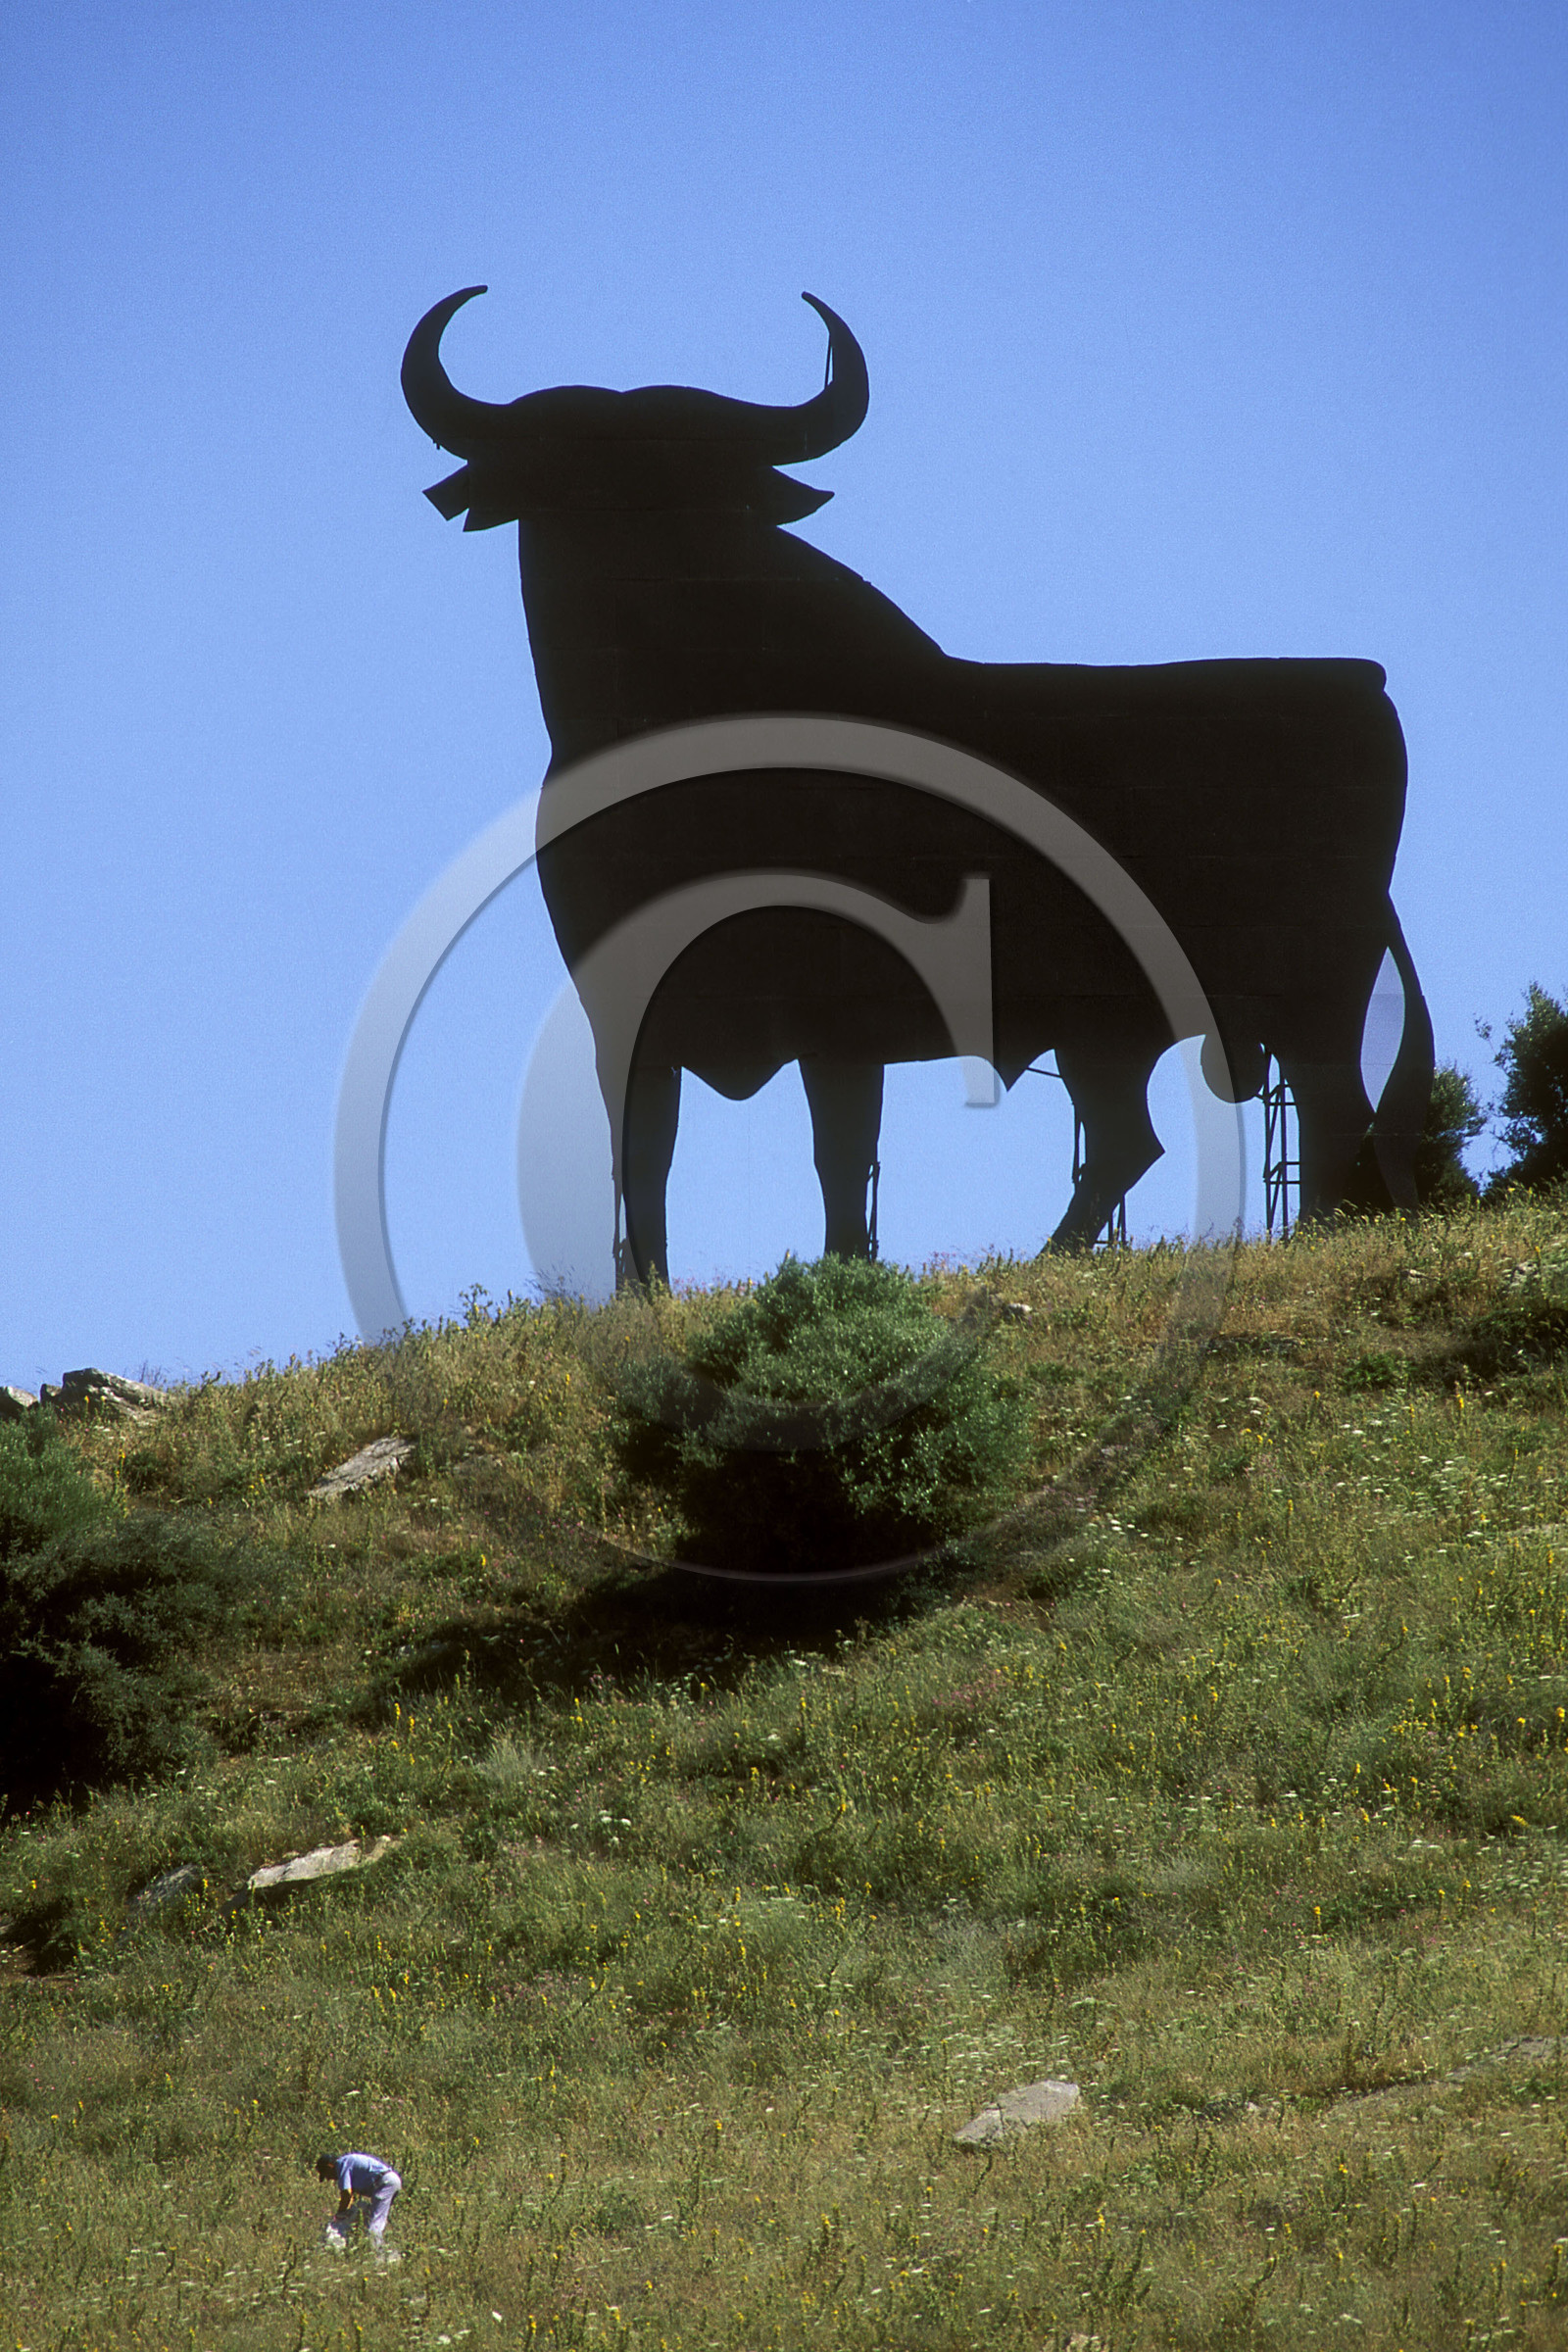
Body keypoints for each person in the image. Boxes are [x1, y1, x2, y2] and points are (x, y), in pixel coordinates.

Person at [316, 2150, 402, 2253]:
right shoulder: (345, 2163)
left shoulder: (342, 2165)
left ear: (330, 2166)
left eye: (326, 2174)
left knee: (375, 2225)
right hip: (387, 2182)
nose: (329, 2179)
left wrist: (339, 2215)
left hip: (385, 2183)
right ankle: (377, 2249)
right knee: (370, 2217)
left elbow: (347, 2194)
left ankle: (379, 2256)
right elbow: (350, 2197)